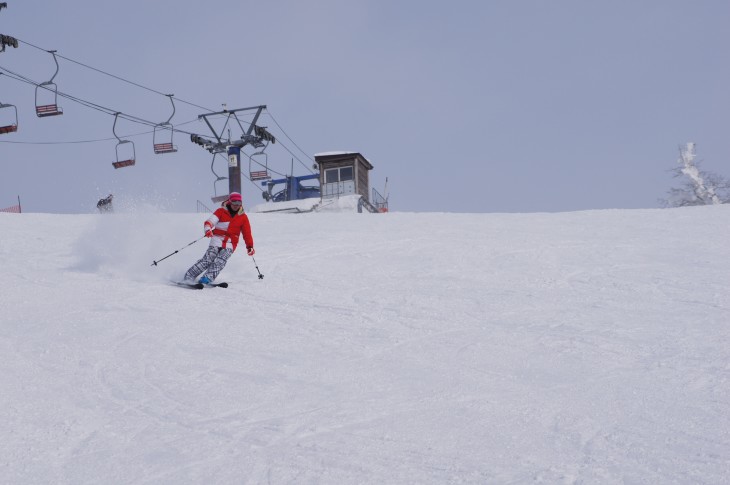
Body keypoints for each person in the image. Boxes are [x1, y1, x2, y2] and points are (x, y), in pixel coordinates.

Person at [183, 192, 254, 284]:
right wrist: (208, 229)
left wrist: (250, 246)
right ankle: (189, 275)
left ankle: (207, 278)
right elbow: (209, 222)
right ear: (230, 201)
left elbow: (247, 233)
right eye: (234, 202)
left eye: (239, 203)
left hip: (231, 243)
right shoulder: (221, 211)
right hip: (217, 239)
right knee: (208, 259)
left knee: (221, 260)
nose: (236, 205)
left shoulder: (243, 217)